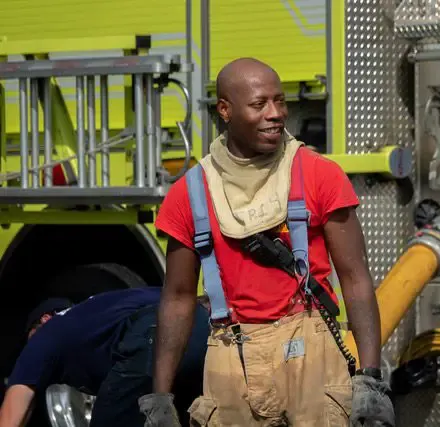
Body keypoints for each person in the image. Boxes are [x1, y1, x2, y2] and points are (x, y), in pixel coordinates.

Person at [139, 57, 394, 427]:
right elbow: (178, 299)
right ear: (225, 110)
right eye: (259, 104)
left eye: (280, 101)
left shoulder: (318, 174)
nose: (275, 114)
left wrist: (370, 379)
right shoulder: (190, 193)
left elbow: (355, 278)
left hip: (313, 356)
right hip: (231, 356)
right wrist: (160, 398)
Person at [0, 288, 210, 427]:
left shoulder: (45, 334)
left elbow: (12, 415)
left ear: (45, 319)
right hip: (203, 330)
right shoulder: (100, 309)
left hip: (156, 337)